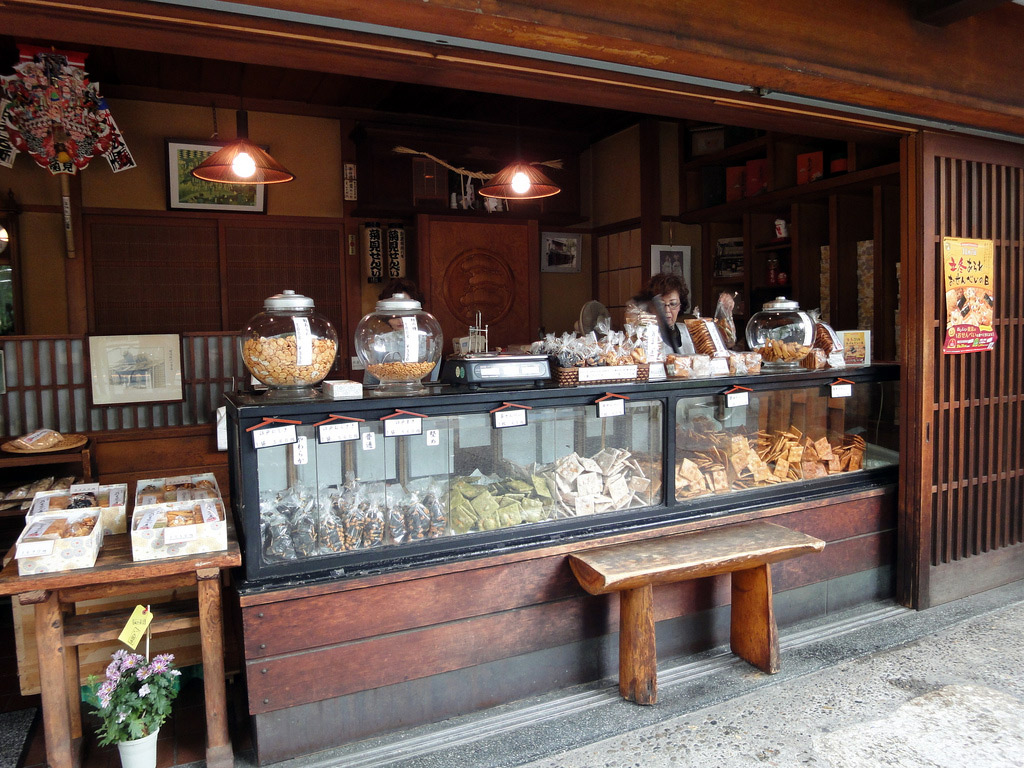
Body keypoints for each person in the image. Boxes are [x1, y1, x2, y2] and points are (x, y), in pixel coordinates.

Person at [630, 272, 695, 356]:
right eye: (661, 304)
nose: (667, 310)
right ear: (651, 307)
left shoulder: (688, 331)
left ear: (680, 306)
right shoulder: (644, 335)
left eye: (673, 304)